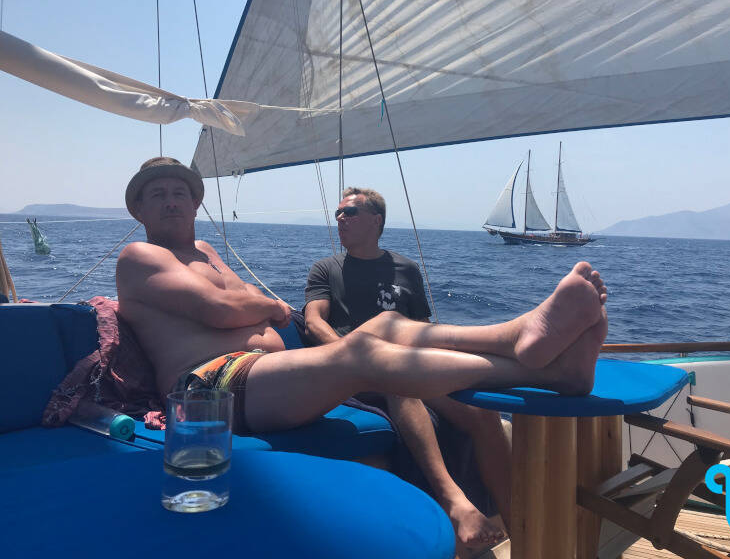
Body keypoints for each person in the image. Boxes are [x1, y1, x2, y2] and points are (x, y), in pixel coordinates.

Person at [116, 157, 608, 539]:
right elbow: (222, 310)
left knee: (389, 323)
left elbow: (248, 307)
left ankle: (515, 334)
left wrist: (256, 307)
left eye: (180, 192)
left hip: (268, 375)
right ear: (138, 210)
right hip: (210, 388)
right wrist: (264, 305)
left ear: (195, 204)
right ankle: (548, 374)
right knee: (362, 354)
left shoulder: (205, 253)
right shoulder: (140, 255)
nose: (171, 201)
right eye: (157, 194)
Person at [304, 187, 511, 547]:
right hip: (356, 372)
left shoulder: (406, 269)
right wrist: (350, 355)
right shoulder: (326, 269)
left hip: (410, 364)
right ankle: (453, 501)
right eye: (338, 213)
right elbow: (313, 321)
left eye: (349, 212)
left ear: (376, 220)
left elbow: (423, 329)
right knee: (398, 383)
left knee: (484, 414)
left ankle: (518, 521)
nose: (340, 219)